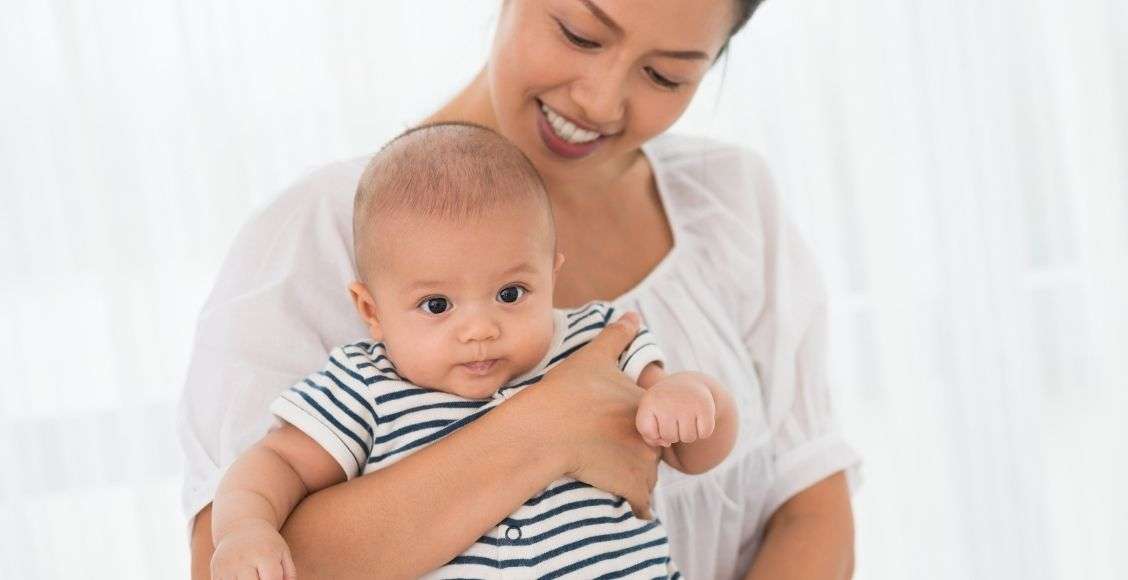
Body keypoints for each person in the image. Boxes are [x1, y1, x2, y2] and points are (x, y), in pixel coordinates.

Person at [181, 0, 862, 578]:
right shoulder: (321, 236)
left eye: (665, 75)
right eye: (579, 34)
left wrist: (694, 406)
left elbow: (809, 503)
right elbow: (235, 557)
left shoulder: (726, 202)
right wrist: (547, 429)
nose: (600, 101)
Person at [208, 122, 737, 579]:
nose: (480, 329)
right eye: (437, 305)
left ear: (551, 274)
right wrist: (245, 528)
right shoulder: (365, 385)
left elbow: (695, 454)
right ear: (372, 311)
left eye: (511, 294)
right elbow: (278, 461)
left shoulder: (595, 341)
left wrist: (692, 399)